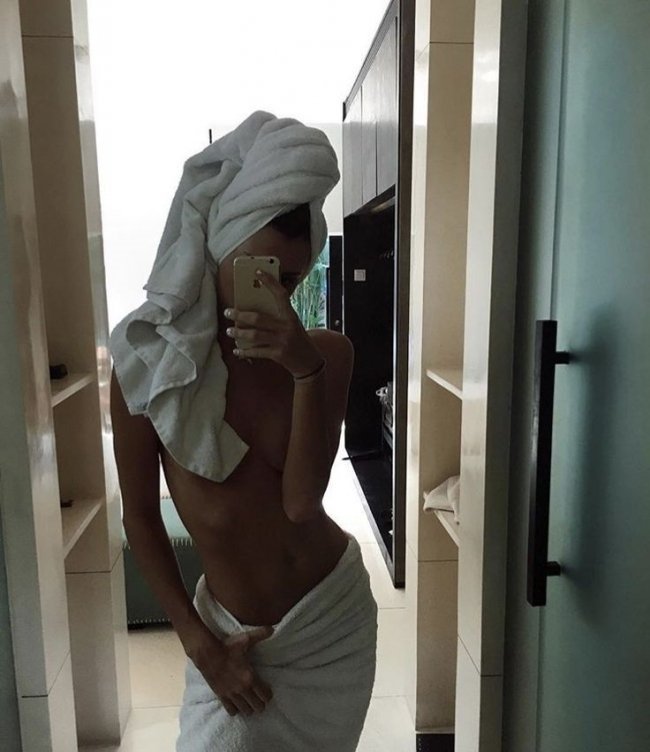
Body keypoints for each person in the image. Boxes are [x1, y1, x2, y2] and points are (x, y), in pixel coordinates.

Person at [109, 112, 378, 751]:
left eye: (292, 280)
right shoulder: (149, 366)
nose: (278, 295)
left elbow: (302, 503)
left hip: (332, 621)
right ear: (222, 244)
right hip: (232, 636)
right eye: (263, 273)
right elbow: (140, 515)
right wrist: (200, 646)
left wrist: (304, 372)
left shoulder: (326, 354)